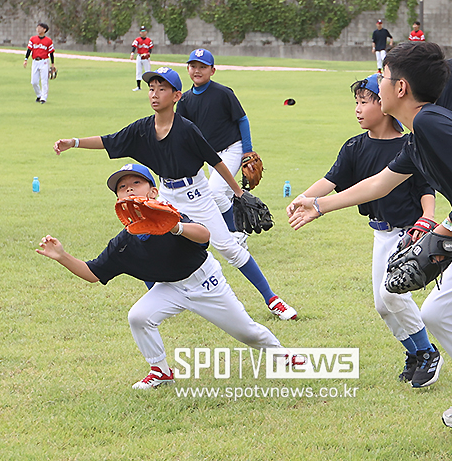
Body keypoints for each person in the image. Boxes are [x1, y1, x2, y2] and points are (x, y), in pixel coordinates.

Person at [288, 41, 452, 454]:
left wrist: (451, 222)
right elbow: (380, 183)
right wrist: (319, 204)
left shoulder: (429, 122)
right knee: (436, 312)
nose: (377, 84)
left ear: (401, 88)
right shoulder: (418, 134)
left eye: (382, 77)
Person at [52, 67, 297, 321]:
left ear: (177, 96)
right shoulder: (142, 128)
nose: (154, 94)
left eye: (162, 89)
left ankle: (272, 299)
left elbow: (215, 161)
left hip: (196, 194)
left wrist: (238, 192)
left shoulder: (187, 129)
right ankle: (158, 300)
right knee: (147, 239)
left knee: (229, 248)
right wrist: (74, 142)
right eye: (151, 88)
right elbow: (110, 140)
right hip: (166, 193)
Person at [37, 164, 296, 390]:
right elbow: (93, 273)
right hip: (170, 288)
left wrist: (176, 227)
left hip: (204, 281)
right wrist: (62, 256)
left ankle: (284, 355)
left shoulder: (170, 214)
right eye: (122, 187)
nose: (129, 189)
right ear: (117, 199)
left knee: (247, 333)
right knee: (138, 316)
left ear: (153, 192)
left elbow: (204, 236)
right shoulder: (122, 243)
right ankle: (160, 371)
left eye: (136, 183)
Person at [286, 74, 442, 388]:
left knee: (391, 294)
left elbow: (426, 189)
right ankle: (414, 352)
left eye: (364, 102)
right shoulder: (354, 146)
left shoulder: (408, 145)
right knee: (382, 306)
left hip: (407, 234)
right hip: (380, 233)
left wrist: (428, 218)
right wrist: (303, 198)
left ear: (384, 105)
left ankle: (428, 352)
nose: (357, 109)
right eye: (355, 103)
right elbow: (330, 181)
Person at [176, 48, 253, 247]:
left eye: (203, 67)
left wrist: (248, 150)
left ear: (212, 70)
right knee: (224, 195)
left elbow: (242, 120)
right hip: (211, 156)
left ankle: (236, 233)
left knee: (215, 193)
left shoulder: (223, 93)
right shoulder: (185, 100)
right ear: (187, 69)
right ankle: (238, 235)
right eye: (193, 66)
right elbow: (183, 132)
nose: (197, 70)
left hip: (231, 148)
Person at [24, 23, 55, 104]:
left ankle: (43, 98)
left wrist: (52, 64)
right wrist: (26, 59)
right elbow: (29, 50)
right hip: (35, 61)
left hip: (44, 61)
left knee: (44, 81)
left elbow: (51, 53)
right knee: (34, 82)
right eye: (38, 28)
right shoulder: (33, 39)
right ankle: (39, 95)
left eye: (40, 28)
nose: (38, 29)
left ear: (44, 30)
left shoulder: (48, 41)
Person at [130, 26, 153, 91]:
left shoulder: (149, 40)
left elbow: (150, 48)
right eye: (142, 32)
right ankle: (138, 87)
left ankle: (151, 87)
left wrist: (148, 54)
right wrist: (132, 53)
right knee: (138, 71)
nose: (143, 33)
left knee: (148, 71)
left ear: (146, 32)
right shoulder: (137, 40)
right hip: (139, 56)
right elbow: (134, 47)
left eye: (144, 31)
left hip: (146, 58)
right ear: (140, 32)